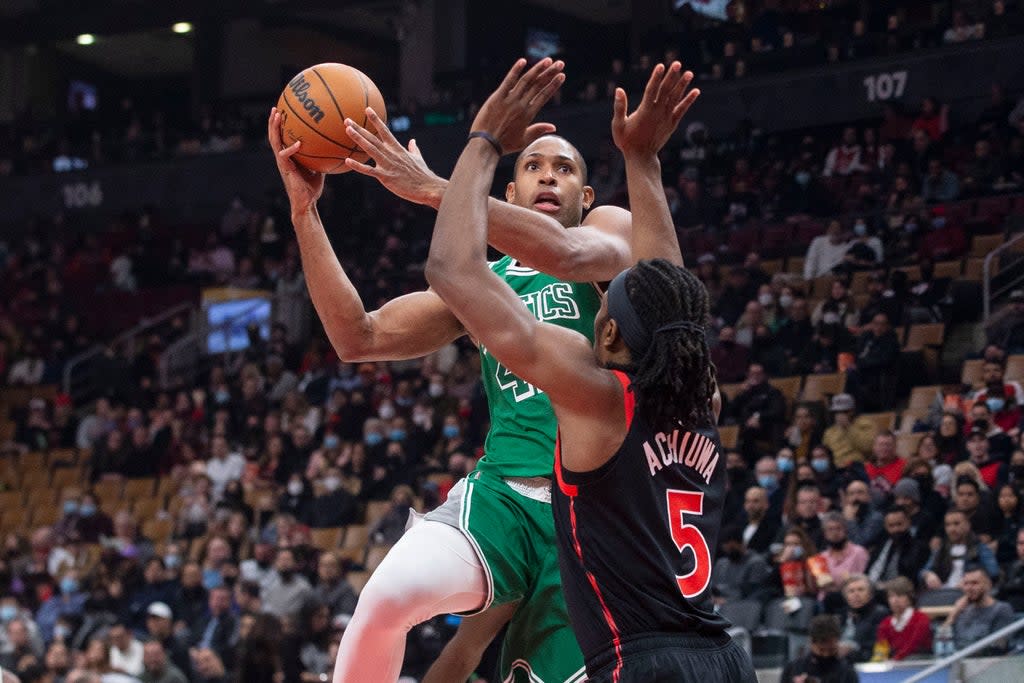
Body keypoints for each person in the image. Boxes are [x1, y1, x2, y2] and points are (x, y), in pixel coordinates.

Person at [271, 57, 639, 683]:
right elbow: (356, 335)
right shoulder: (482, 287)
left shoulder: (611, 237)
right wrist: (305, 214)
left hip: (594, 511)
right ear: (508, 193)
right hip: (500, 496)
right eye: (532, 165)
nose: (549, 176)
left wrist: (441, 188)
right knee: (385, 601)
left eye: (565, 168)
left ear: (587, 195)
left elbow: (566, 250)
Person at [422, 59, 753, 681]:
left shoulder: (597, 400)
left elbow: (452, 272)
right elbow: (669, 294)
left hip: (641, 660)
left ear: (604, 331)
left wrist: (481, 144)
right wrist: (643, 162)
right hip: (723, 655)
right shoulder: (702, 399)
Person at [945, 567, 1016, 653]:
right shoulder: (961, 610)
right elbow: (942, 642)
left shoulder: (1002, 609)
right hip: (958, 662)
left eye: (975, 583)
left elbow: (999, 646)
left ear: (988, 585)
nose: (969, 588)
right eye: (966, 583)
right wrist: (954, 614)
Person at [780, 615, 859, 683]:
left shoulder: (847, 672)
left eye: (831, 650)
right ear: (811, 642)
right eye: (821, 650)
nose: (826, 654)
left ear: (838, 642)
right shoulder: (793, 669)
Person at [874, 577, 932, 661]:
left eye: (900, 595)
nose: (895, 600)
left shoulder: (921, 618)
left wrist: (895, 660)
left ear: (909, 598)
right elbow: (881, 649)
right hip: (894, 664)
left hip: (919, 662)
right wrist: (879, 661)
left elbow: (913, 645)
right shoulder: (885, 623)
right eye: (891, 596)